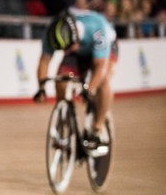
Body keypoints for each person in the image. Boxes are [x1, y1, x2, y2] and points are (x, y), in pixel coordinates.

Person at [33, 8, 116, 154]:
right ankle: (66, 124)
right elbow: (44, 61)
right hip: (79, 48)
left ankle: (98, 129)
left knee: (104, 81)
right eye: (63, 50)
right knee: (62, 79)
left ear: (76, 37)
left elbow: (100, 67)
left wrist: (89, 89)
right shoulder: (52, 31)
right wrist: (41, 88)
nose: (65, 52)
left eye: (68, 48)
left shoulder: (96, 28)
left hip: (106, 47)